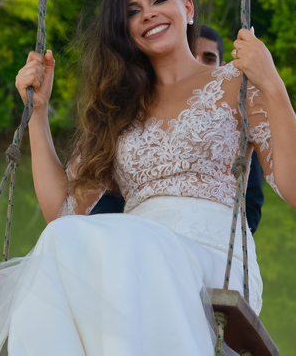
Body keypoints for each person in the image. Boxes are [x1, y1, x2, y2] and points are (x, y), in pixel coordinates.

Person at [0, 0, 296, 356]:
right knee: (62, 240)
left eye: (159, 0)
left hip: (213, 258)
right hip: (131, 256)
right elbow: (62, 214)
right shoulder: (119, 107)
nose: (147, 13)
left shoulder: (236, 83)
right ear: (125, 30)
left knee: (134, 244)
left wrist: (272, 83)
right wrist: (37, 113)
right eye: (132, 11)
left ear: (187, 8)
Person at [89, 23, 267, 234]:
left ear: (222, 65)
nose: (198, 63)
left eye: (209, 59)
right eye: (192, 55)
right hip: (138, 239)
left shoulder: (234, 118)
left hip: (213, 239)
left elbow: (252, 203)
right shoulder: (129, 116)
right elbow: (104, 199)